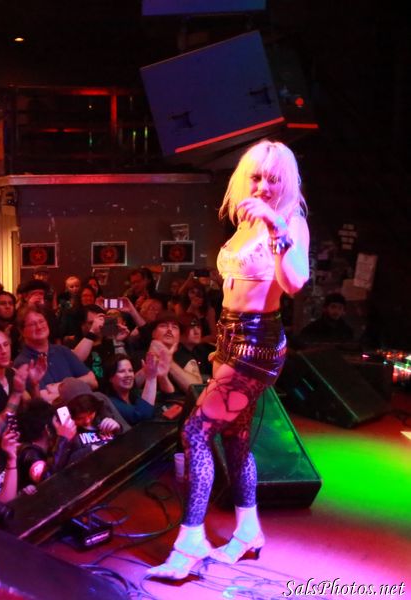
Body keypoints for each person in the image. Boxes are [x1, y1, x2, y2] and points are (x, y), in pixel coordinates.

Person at [148, 140, 309, 579]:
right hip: (228, 338)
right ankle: (248, 531)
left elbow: (295, 283)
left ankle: (190, 541)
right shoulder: (244, 220)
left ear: (286, 183)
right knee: (235, 439)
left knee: (195, 432)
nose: (263, 186)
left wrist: (277, 226)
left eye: (273, 179)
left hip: (257, 343)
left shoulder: (290, 220)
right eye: (256, 177)